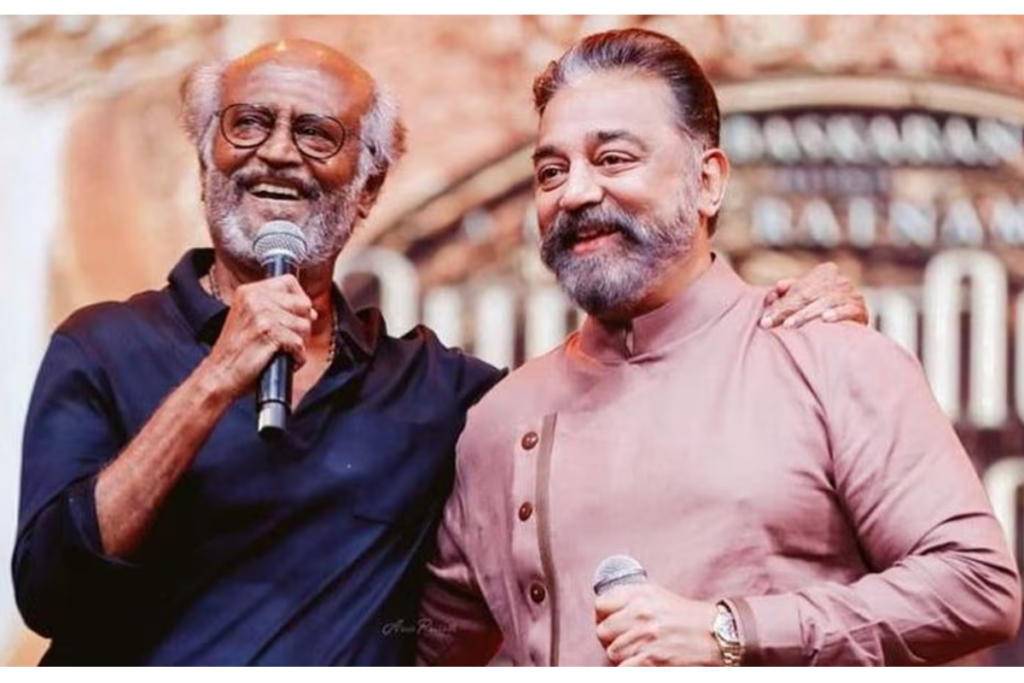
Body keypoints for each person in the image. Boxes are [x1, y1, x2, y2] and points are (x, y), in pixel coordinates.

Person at [12, 39, 865, 666]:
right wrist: (213, 380)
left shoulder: (438, 393)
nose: (276, 151)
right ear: (206, 158)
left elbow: (619, 381)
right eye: (248, 124)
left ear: (368, 186)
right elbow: (48, 591)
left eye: (316, 133)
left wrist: (763, 318)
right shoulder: (102, 343)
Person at [417, 28, 1022, 667]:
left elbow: (976, 585)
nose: (576, 193)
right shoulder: (501, 420)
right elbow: (420, 647)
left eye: (613, 159)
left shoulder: (830, 361)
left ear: (707, 181)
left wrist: (731, 631)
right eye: (551, 171)